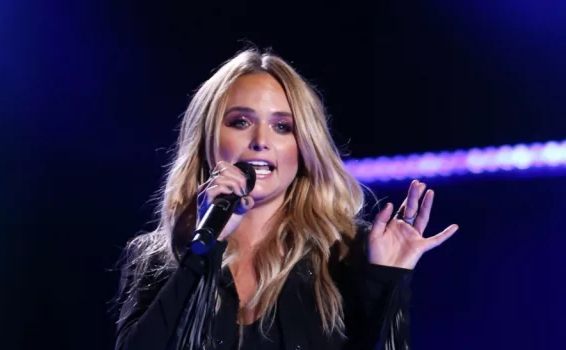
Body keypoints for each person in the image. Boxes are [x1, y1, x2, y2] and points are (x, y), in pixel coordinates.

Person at [113, 48, 458, 350]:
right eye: (240, 121)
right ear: (208, 138)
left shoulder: (342, 254)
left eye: (282, 127)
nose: (261, 140)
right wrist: (203, 249)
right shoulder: (158, 260)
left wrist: (386, 280)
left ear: (304, 146)